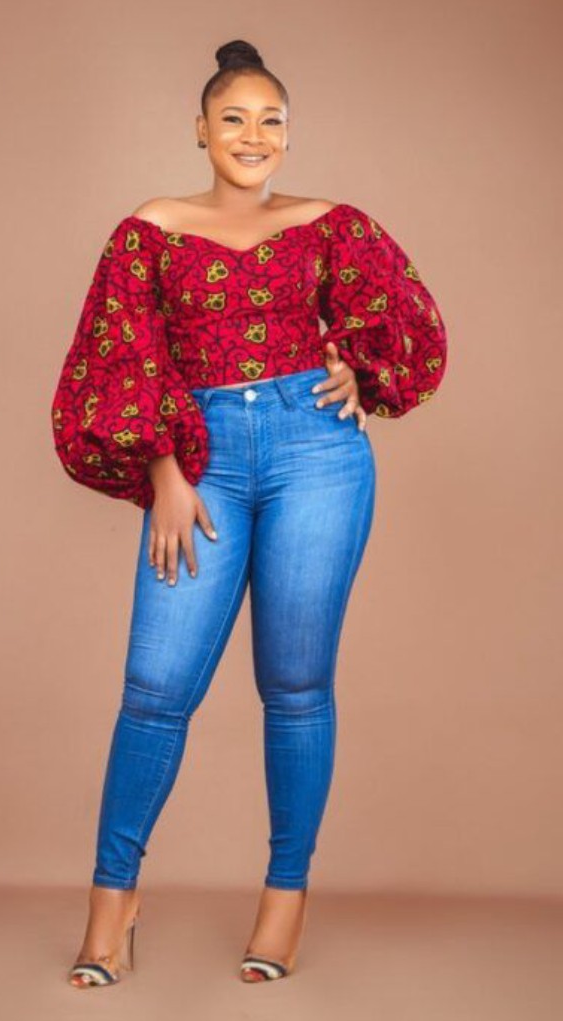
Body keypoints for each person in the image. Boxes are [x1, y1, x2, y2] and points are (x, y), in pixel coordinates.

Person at [50, 39, 448, 987]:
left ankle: (284, 902)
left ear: (288, 133)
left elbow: (409, 325)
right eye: (234, 117)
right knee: (156, 686)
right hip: (203, 462)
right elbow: (121, 353)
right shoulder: (149, 228)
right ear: (200, 129)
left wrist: (359, 371)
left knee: (297, 684)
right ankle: (111, 906)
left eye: (271, 119)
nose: (253, 134)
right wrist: (164, 473)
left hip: (318, 453)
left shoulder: (331, 224)